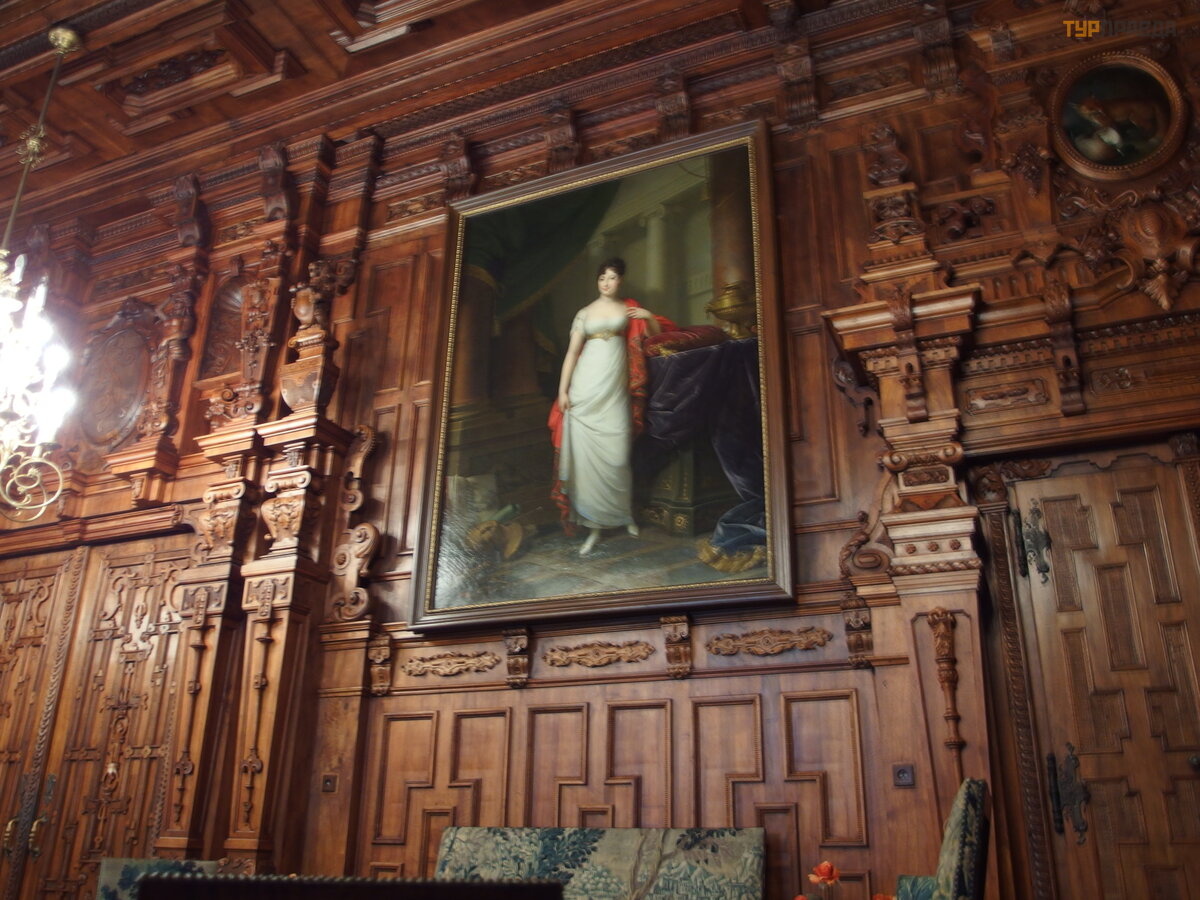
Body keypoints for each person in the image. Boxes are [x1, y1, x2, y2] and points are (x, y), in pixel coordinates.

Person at [548, 258, 673, 555]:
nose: (606, 282)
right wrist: (563, 390)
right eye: (602, 277)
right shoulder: (584, 313)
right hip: (585, 389)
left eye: (612, 277)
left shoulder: (629, 309)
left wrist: (648, 316)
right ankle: (594, 526)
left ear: (621, 280)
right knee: (586, 461)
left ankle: (623, 515)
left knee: (617, 457)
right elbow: (572, 353)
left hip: (615, 390)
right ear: (597, 281)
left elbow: (654, 337)